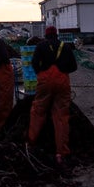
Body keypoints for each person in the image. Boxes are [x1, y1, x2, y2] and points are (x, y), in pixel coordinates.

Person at [27, 26, 77, 165]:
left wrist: (42, 75)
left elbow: (34, 64)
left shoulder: (40, 46)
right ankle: (61, 153)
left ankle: (31, 143)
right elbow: (74, 67)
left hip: (45, 82)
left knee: (38, 111)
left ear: (46, 35)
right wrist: (62, 71)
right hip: (62, 82)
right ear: (56, 35)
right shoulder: (65, 47)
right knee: (61, 116)